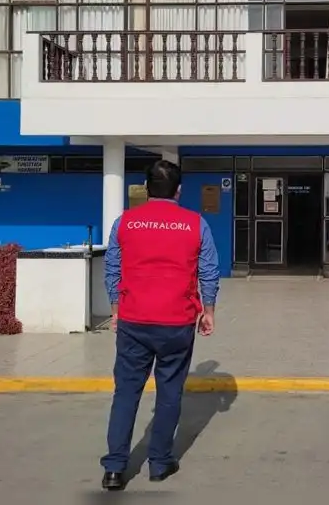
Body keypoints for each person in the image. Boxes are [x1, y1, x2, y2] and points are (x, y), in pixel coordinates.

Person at [100, 159, 220, 491]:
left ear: (146, 188)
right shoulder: (196, 224)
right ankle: (159, 462)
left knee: (126, 393)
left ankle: (115, 468)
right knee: (169, 393)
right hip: (177, 321)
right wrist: (208, 311)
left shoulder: (125, 222)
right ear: (178, 191)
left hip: (134, 319)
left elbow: (112, 269)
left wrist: (116, 310)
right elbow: (209, 271)